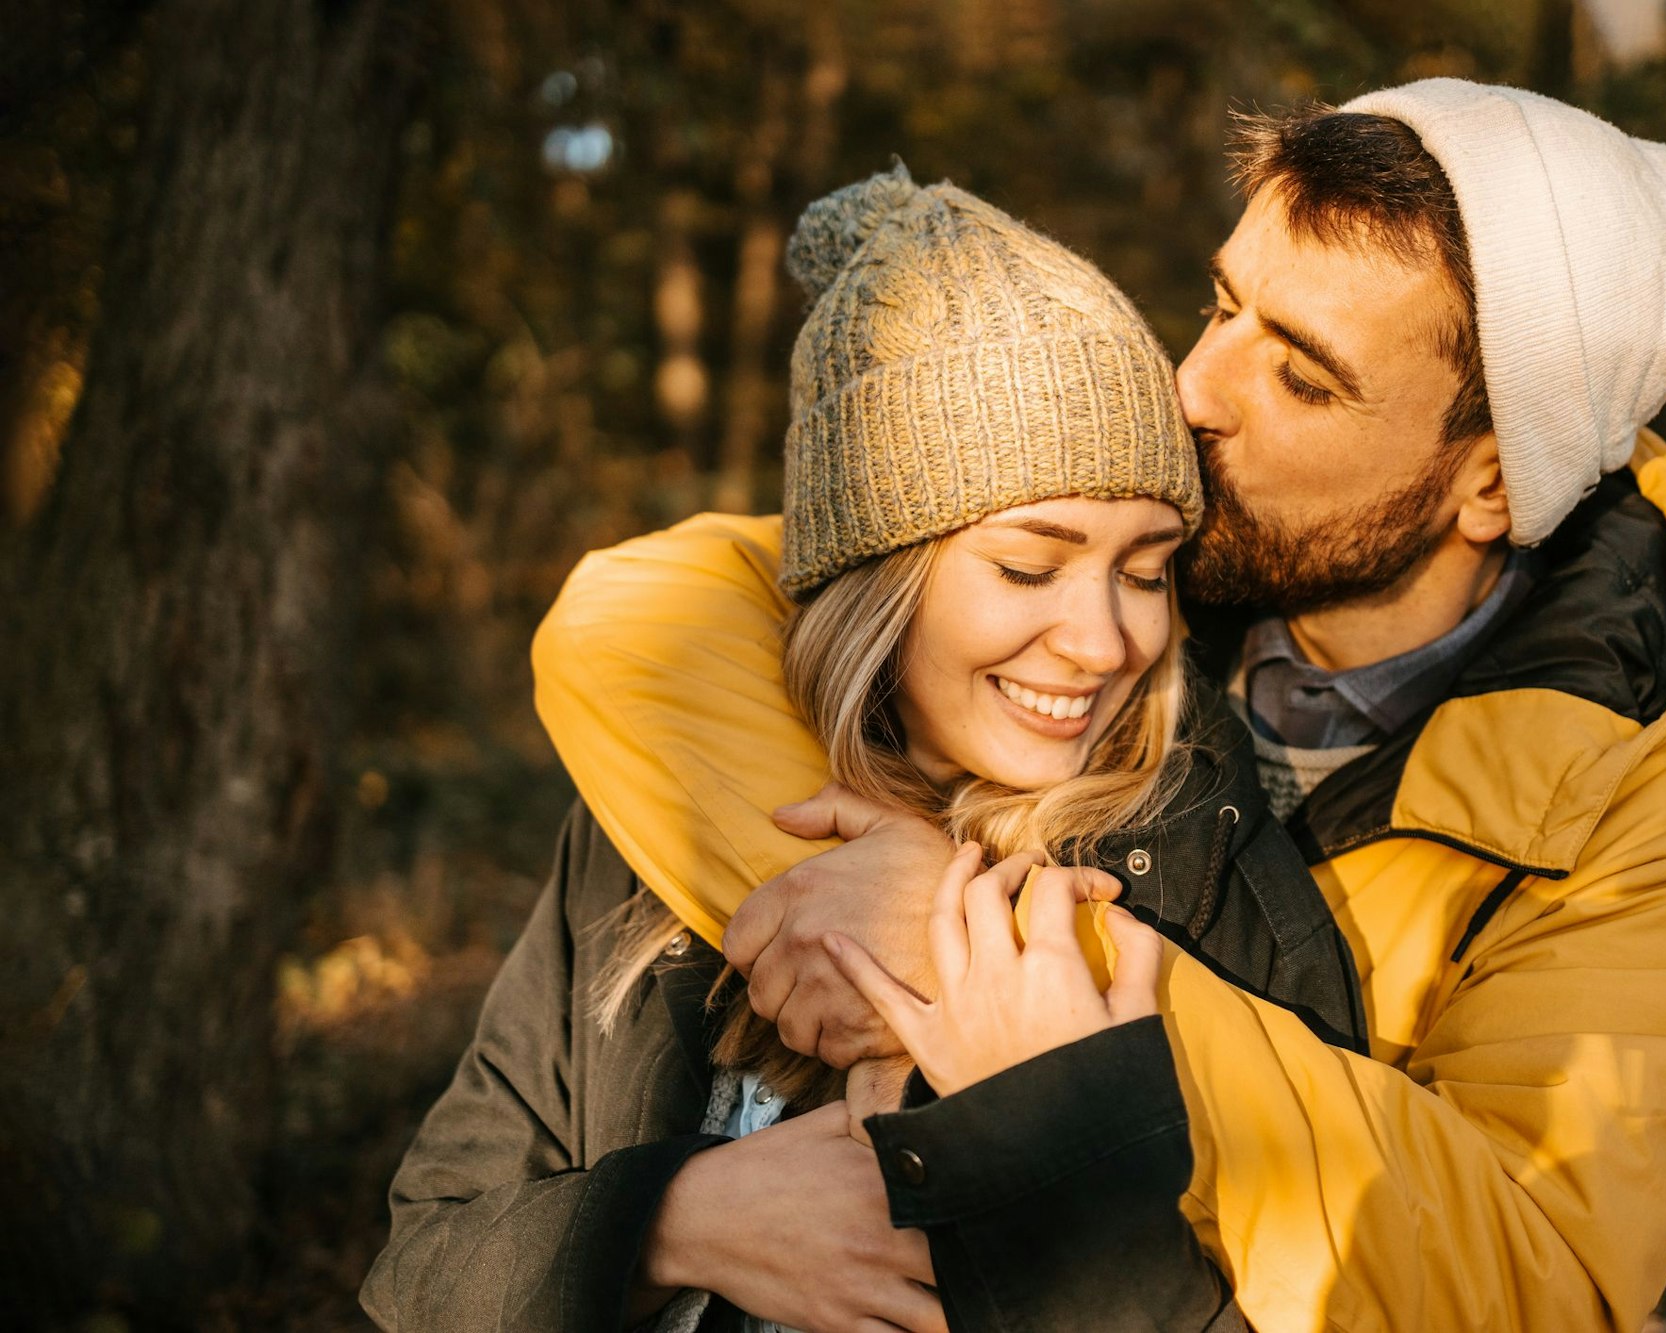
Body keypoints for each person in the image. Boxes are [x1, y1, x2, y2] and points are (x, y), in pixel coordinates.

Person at [531, 80, 1666, 1330]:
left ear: (1493, 486)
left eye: (1303, 379)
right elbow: (638, 620)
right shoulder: (1125, 578)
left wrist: (977, 959)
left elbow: (1525, 1279)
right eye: (1222, 308)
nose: (1195, 389)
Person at [361, 169, 1364, 1333]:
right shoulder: (658, 826)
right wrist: (678, 1219)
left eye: (1144, 571)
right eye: (1028, 567)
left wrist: (1053, 1135)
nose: (1102, 641)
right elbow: (421, 1264)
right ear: (874, 580)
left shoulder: (1211, 889)